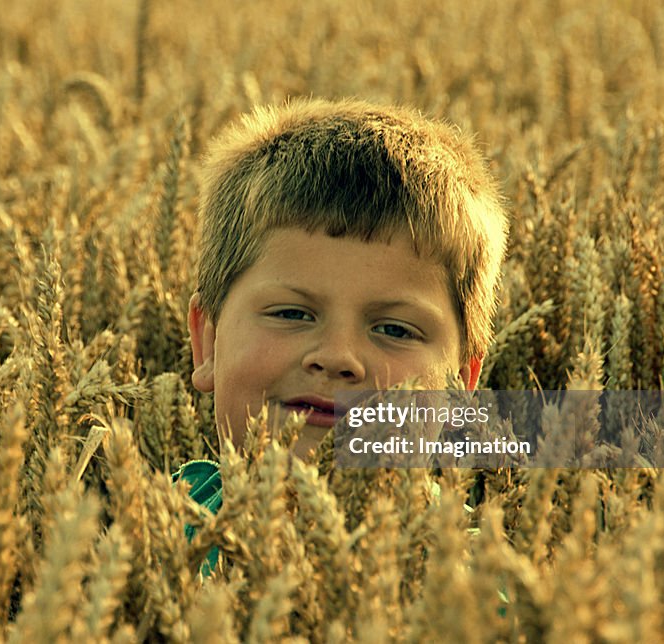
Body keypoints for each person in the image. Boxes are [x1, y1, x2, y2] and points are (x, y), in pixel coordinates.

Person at [172, 97, 509, 572]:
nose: (336, 357)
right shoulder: (158, 530)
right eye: (292, 314)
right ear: (207, 342)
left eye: (395, 329)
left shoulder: (474, 582)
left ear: (461, 385)